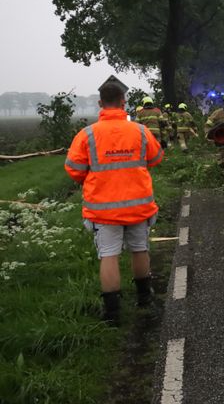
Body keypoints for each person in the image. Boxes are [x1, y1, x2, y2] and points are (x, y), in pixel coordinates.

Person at [64, 83, 164, 325]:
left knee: (108, 256)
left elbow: (73, 169)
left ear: (100, 103)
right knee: (140, 249)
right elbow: (156, 158)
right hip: (138, 206)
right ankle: (144, 299)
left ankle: (112, 313)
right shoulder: (140, 131)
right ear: (123, 102)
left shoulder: (87, 134)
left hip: (103, 210)